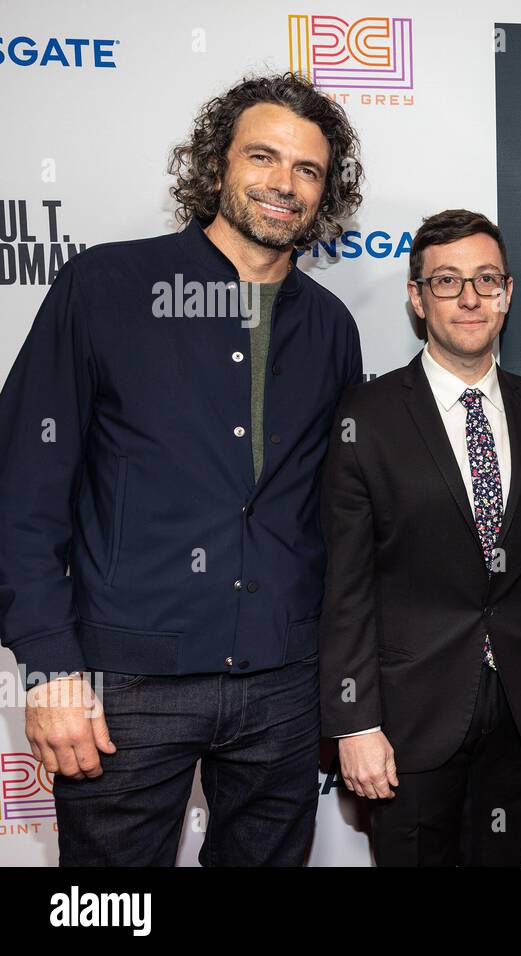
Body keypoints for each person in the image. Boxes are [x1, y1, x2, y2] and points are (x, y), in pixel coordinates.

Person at [0, 73, 365, 865]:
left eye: (307, 169)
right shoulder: (105, 287)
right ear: (216, 167)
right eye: (262, 157)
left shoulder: (331, 328)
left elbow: (334, 512)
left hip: (284, 681)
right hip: (125, 684)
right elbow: (22, 493)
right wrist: (49, 669)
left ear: (325, 192)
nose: (284, 183)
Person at [319, 209, 521, 866]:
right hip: (408, 717)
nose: (470, 297)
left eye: (486, 279)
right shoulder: (366, 417)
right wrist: (354, 720)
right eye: (446, 281)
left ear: (507, 294)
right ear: (416, 297)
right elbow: (345, 585)